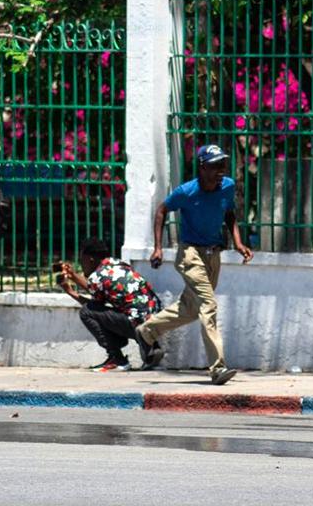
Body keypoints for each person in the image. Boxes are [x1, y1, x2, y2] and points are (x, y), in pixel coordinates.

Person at [135, 144, 253, 386]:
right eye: (214, 165)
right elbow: (161, 211)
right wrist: (158, 248)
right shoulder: (186, 192)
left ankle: (147, 332)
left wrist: (238, 243)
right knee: (208, 305)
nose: (221, 170)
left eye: (222, 164)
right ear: (202, 167)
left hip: (213, 254)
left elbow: (229, 213)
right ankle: (217, 368)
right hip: (190, 254)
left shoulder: (227, 186)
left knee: (190, 309)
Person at [58, 237, 164, 373]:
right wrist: (73, 276)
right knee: (124, 309)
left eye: (82, 260)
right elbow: (96, 290)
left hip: (136, 323)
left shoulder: (98, 276)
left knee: (86, 312)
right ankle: (151, 345)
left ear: (90, 259)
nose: (81, 265)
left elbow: (92, 307)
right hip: (156, 318)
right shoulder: (117, 264)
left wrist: (70, 292)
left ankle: (117, 359)